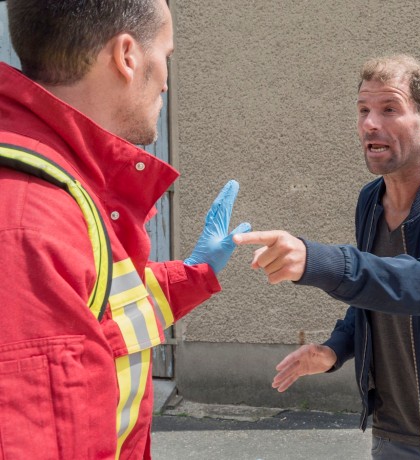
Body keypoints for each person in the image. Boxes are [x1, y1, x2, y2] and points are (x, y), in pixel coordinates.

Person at [234, 55, 420, 460]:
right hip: (393, 437)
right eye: (363, 110)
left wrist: (320, 261)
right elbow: (375, 295)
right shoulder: (370, 201)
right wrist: (336, 348)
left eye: (389, 109)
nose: (371, 123)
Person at [0, 1, 249, 458]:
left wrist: (192, 273)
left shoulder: (60, 187)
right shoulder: (28, 222)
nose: (167, 80)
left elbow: (101, 314)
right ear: (127, 56)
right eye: (167, 56)